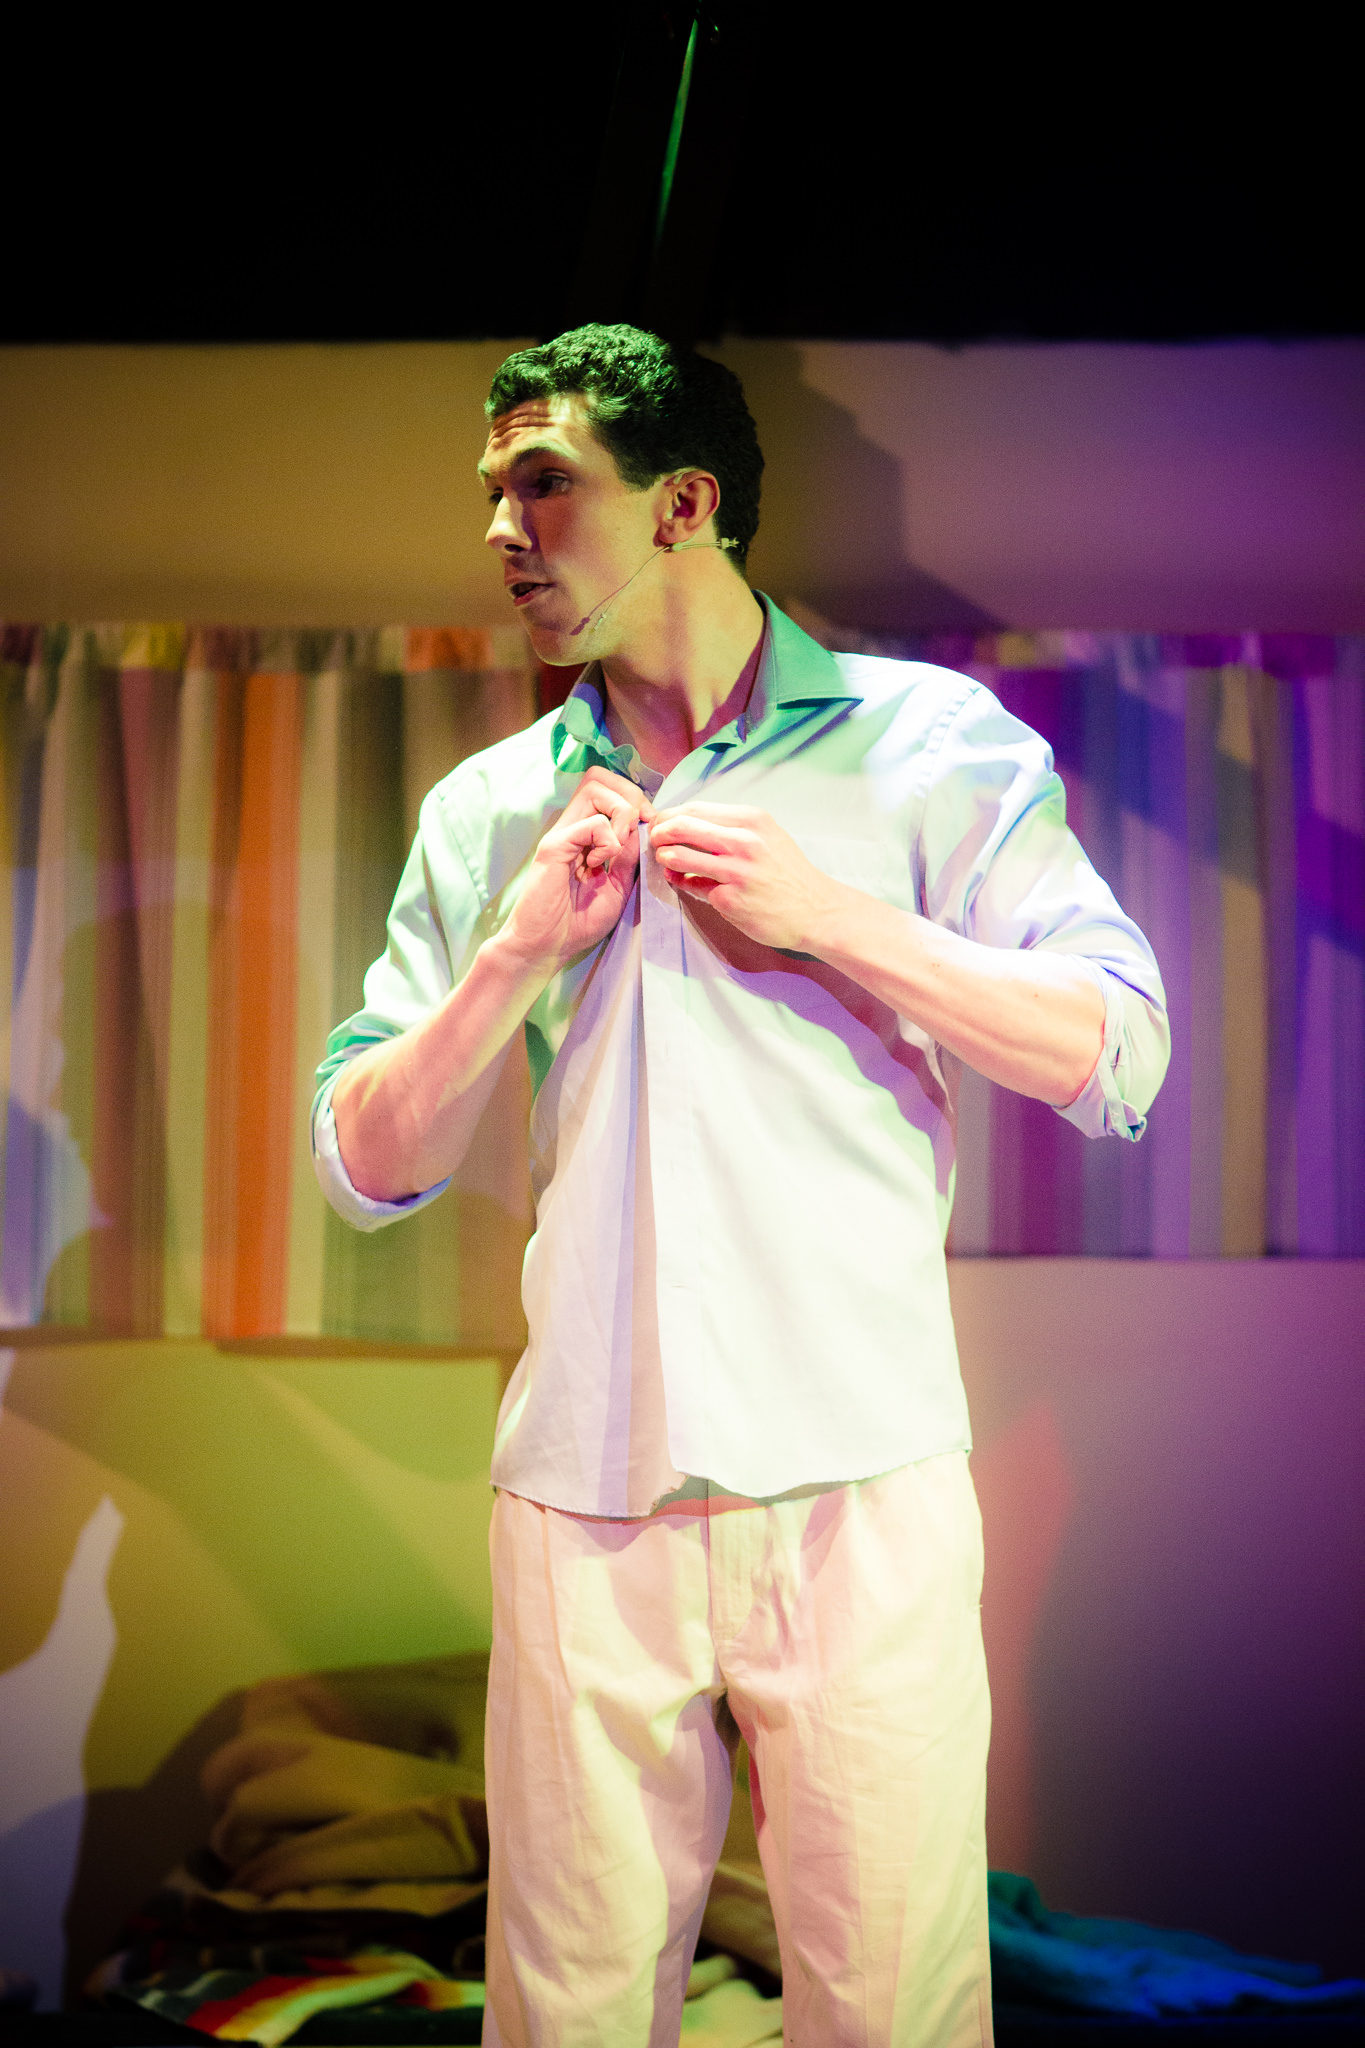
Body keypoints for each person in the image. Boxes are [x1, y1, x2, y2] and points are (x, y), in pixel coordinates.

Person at [312, 325, 1169, 2048]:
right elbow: (365, 1167)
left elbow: (1116, 1052)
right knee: (564, 2011)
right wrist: (509, 958)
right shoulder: (490, 811)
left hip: (858, 1469)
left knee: (892, 2007)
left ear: (683, 504)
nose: (499, 527)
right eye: (491, 489)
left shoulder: (927, 746)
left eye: (543, 482)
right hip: (585, 1489)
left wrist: (834, 917)